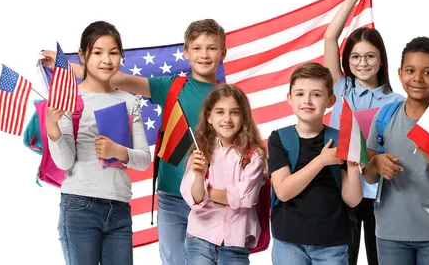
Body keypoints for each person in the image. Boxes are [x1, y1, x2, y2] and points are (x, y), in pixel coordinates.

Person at [42, 18, 227, 265]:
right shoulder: (172, 86)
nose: (204, 55)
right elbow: (115, 78)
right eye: (197, 48)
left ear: (223, 53)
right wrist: (68, 66)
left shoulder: (229, 98)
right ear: (186, 52)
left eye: (212, 48)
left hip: (212, 196)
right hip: (172, 196)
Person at [46, 21, 151, 264]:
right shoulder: (70, 99)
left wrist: (118, 151)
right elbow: (64, 162)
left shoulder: (128, 101)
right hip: (80, 206)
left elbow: (143, 159)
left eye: (113, 53)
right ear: (82, 55)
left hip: (120, 208)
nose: (106, 60)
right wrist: (53, 129)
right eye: (97, 52)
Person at [363, 37, 429, 265]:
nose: (418, 78)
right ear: (400, 73)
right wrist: (376, 164)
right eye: (411, 70)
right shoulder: (384, 117)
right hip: (390, 233)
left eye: (428, 72)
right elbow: (369, 176)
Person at [324, 0, 404, 265]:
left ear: (381, 59)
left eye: (370, 56)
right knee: (341, 258)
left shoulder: (397, 103)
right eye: (355, 57)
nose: (363, 63)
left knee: (378, 259)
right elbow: (330, 37)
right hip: (341, 188)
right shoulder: (341, 89)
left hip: (381, 196)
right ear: (348, 62)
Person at [268, 62, 363, 265]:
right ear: (290, 99)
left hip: (332, 243)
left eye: (316, 94)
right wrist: (321, 161)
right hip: (289, 241)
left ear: (331, 100)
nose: (307, 101)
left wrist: (354, 169)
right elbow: (283, 191)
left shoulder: (340, 139)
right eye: (300, 94)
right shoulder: (279, 138)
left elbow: (352, 200)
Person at [180, 84, 267, 265]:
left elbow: (245, 198)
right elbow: (193, 199)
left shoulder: (254, 154)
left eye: (234, 112)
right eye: (220, 112)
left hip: (235, 244)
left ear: (244, 117)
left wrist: (207, 192)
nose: (227, 119)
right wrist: (199, 177)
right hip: (199, 239)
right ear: (209, 117)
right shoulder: (201, 151)